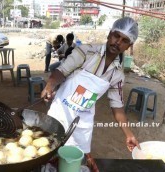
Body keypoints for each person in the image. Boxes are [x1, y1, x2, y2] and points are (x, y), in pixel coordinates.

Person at [41, 17, 140, 160]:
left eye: (124, 40)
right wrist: (50, 86)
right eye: (116, 36)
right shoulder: (86, 52)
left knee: (74, 160)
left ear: (129, 46)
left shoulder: (117, 75)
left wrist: (129, 134)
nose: (118, 42)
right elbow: (61, 71)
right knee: (50, 153)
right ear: (109, 34)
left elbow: (117, 107)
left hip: (83, 122)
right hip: (60, 113)